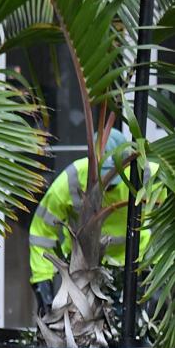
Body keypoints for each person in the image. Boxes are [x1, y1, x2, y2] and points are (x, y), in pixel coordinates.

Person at [29, 128, 162, 316]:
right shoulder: (73, 179)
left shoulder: (147, 175)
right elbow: (41, 231)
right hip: (82, 272)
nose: (107, 185)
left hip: (135, 268)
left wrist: (159, 273)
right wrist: (42, 283)